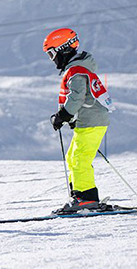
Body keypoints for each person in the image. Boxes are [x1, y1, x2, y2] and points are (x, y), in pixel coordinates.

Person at [44, 28, 115, 214]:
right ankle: (79, 195)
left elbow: (77, 96)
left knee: (80, 158)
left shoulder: (76, 70)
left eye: (52, 53)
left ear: (63, 49)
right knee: (72, 157)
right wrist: (71, 118)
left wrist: (64, 115)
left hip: (92, 121)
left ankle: (86, 199)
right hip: (88, 121)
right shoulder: (77, 68)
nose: (52, 59)